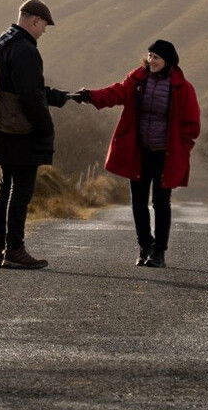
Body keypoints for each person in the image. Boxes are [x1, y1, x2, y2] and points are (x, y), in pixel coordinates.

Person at [72, 39, 200, 267]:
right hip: (139, 152)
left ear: (168, 61)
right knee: (138, 202)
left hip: (165, 155)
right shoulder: (138, 79)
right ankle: (145, 246)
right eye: (150, 56)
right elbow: (116, 93)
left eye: (157, 57)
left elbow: (191, 125)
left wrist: (182, 149)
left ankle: (159, 253)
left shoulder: (183, 88)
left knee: (161, 202)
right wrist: (90, 96)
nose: (152, 61)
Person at [0, 0, 72, 269]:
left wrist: (58, 97)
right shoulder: (25, 50)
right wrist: (45, 128)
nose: (44, 31)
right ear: (35, 20)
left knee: (6, 188)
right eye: (44, 25)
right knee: (21, 190)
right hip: (21, 132)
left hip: (2, 128)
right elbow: (30, 96)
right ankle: (15, 250)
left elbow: (19, 88)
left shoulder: (3, 45)